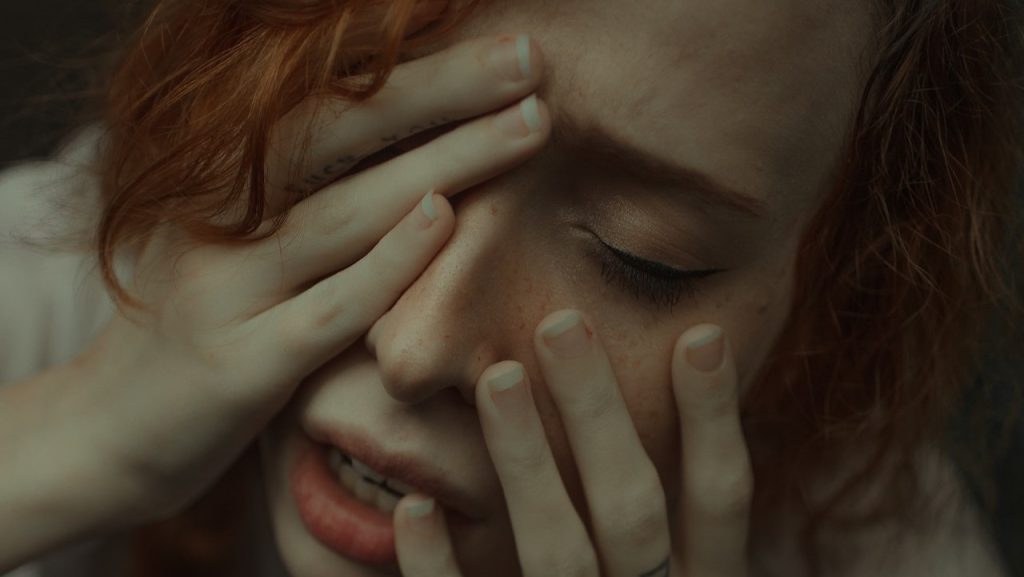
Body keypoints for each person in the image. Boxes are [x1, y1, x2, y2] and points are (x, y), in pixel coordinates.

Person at [1, 0, 1021, 576]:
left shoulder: (866, 545)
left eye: (640, 255)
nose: (415, 346)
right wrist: (71, 441)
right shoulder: (51, 287)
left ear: (828, 292)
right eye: (379, 153)